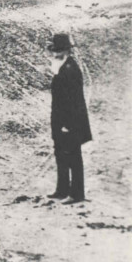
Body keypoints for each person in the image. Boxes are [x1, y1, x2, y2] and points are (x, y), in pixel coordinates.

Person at [46, 33, 92, 204]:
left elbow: (74, 102)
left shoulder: (70, 70)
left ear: (65, 51)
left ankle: (77, 193)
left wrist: (68, 125)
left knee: (73, 156)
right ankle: (62, 189)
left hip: (70, 122)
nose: (53, 55)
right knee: (61, 154)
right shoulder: (63, 68)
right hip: (61, 121)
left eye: (56, 51)